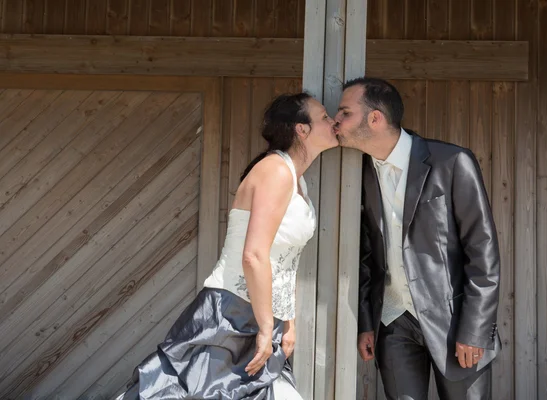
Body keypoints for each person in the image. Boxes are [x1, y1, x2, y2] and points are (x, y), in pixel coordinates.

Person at [117, 92, 337, 400]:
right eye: (325, 117)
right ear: (302, 129)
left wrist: (287, 321)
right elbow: (254, 255)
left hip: (263, 315)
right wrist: (264, 327)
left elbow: (285, 260)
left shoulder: (299, 181)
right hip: (230, 313)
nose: (333, 122)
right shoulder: (275, 170)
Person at [334, 77, 501, 400]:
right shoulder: (362, 174)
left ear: (375, 119)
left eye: (344, 113)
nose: (336, 121)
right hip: (393, 324)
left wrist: (475, 330)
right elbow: (367, 255)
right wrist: (368, 322)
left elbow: (483, 252)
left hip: (455, 325)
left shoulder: (451, 162)